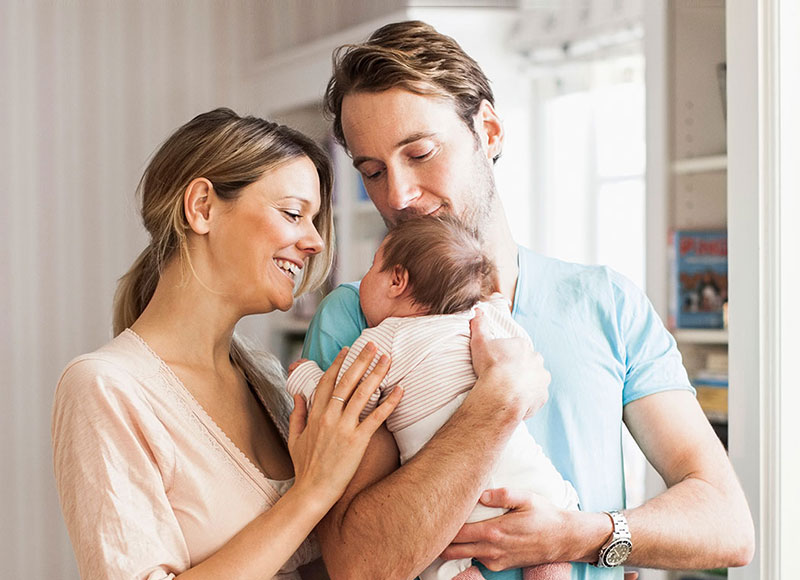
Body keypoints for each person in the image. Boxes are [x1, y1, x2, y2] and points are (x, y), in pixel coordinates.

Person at [300, 20, 755, 580]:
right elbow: (358, 564)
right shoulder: (355, 320)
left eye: (419, 153)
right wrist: (497, 402)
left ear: (488, 132)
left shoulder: (605, 303)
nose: (398, 195)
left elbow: (727, 523)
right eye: (372, 171)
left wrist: (586, 536)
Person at [51, 108, 408, 579]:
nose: (315, 242)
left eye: (314, 219)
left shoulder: (266, 380)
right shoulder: (105, 388)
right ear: (202, 207)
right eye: (293, 213)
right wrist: (312, 492)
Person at [287, 215, 578, 580]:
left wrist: (303, 376)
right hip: (522, 474)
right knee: (549, 544)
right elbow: (521, 354)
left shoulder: (384, 339)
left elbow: (345, 403)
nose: (361, 282)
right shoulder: (479, 316)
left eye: (371, 268)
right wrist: (495, 305)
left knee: (443, 565)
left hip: (452, 503)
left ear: (396, 280)